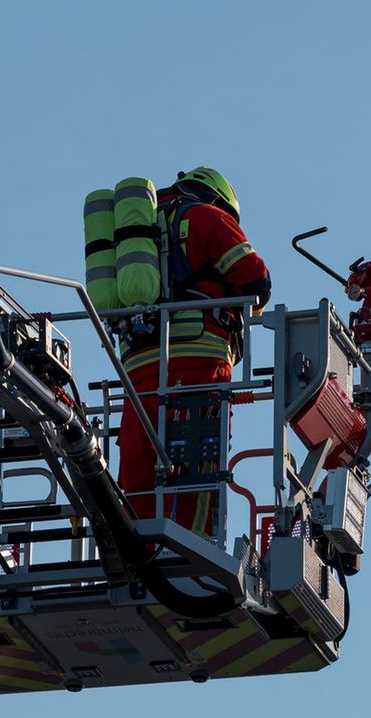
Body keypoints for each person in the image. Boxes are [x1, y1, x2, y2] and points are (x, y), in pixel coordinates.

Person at [116, 167, 272, 537]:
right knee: (198, 458)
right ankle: (196, 545)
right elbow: (256, 281)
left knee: (140, 462)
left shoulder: (138, 234)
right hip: (198, 355)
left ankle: (140, 546)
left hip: (138, 364)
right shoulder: (207, 216)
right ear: (219, 198)